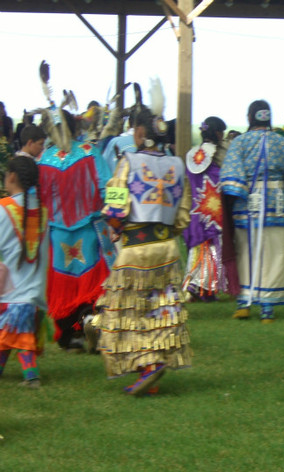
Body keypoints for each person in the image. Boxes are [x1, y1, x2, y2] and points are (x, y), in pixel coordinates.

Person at [94, 106, 192, 396]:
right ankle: (152, 370)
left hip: (136, 248)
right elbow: (183, 215)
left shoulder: (128, 161)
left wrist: (115, 226)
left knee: (128, 310)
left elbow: (114, 205)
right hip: (167, 249)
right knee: (160, 308)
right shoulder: (177, 164)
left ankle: (147, 367)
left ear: (139, 133)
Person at [37, 109, 116, 352]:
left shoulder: (44, 159)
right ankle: (93, 323)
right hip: (90, 230)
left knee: (64, 284)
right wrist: (117, 218)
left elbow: (38, 198)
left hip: (57, 235)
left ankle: (71, 338)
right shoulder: (90, 152)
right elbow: (110, 187)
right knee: (94, 281)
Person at [220, 100, 284, 323]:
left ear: (249, 118)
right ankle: (267, 308)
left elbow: (231, 177)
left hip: (247, 205)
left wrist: (238, 191)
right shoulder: (282, 142)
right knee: (274, 254)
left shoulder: (240, 142)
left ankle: (244, 303)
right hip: (277, 205)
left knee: (246, 250)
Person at [0, 156, 49, 389]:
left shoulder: (4, 208)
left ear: (11, 177)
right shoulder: (42, 212)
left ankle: (32, 377)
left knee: (18, 333)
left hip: (12, 293)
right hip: (35, 291)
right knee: (6, 335)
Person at [182, 116, 239, 301]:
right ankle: (210, 286)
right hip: (215, 208)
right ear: (217, 133)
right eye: (221, 132)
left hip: (197, 209)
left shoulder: (192, 154)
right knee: (217, 245)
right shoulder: (221, 154)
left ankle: (195, 284)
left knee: (200, 245)